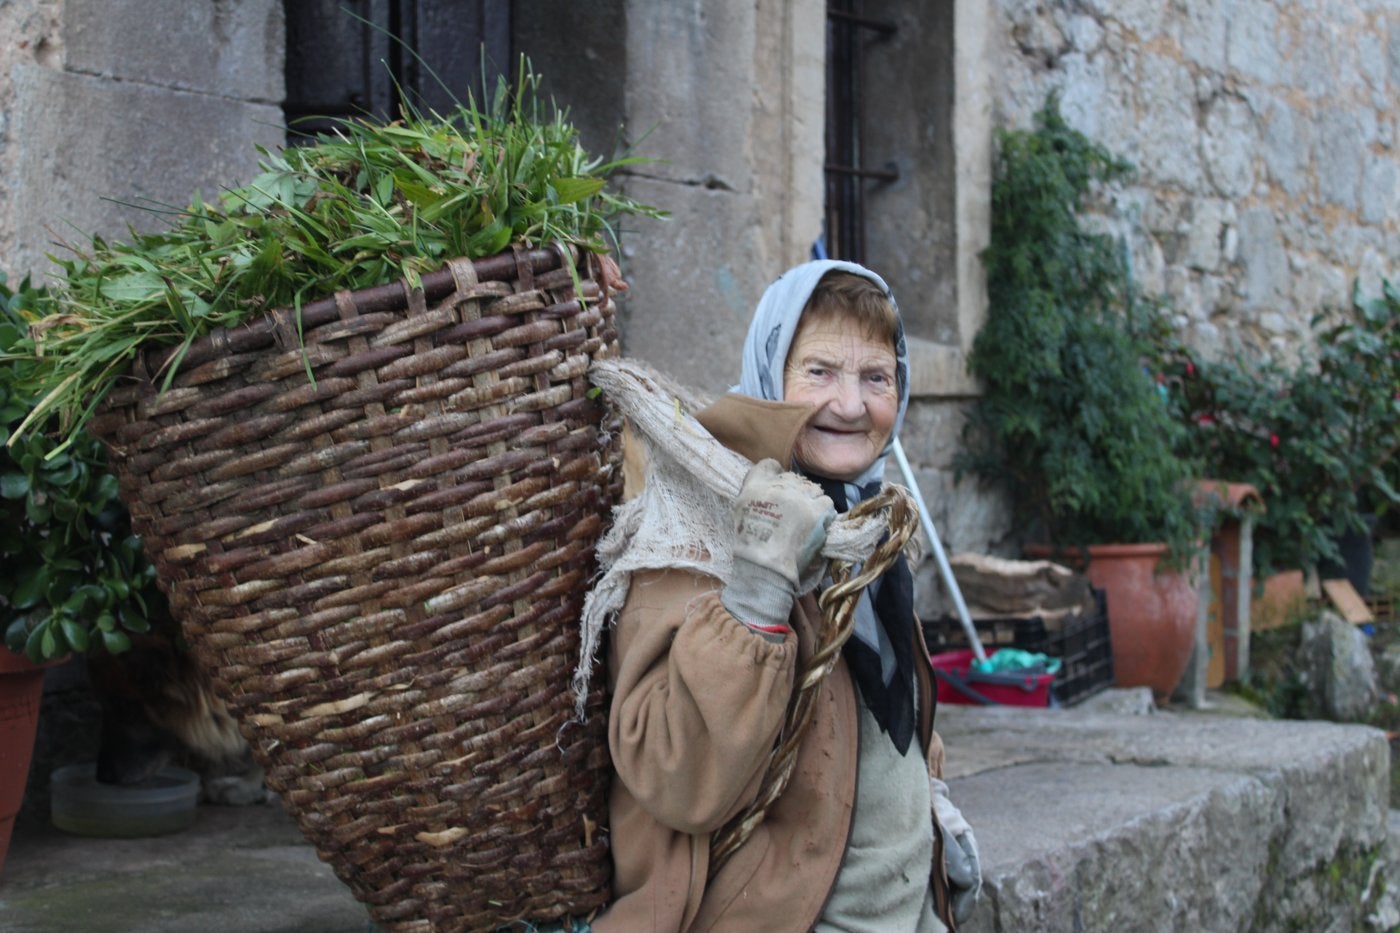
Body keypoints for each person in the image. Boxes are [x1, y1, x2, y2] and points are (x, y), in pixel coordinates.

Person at [591, 259, 982, 932]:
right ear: (771, 369)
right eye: (820, 371)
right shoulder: (696, 523)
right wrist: (758, 587)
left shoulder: (864, 528)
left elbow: (870, 718)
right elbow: (673, 778)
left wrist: (929, 805)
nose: (851, 404)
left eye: (876, 377)